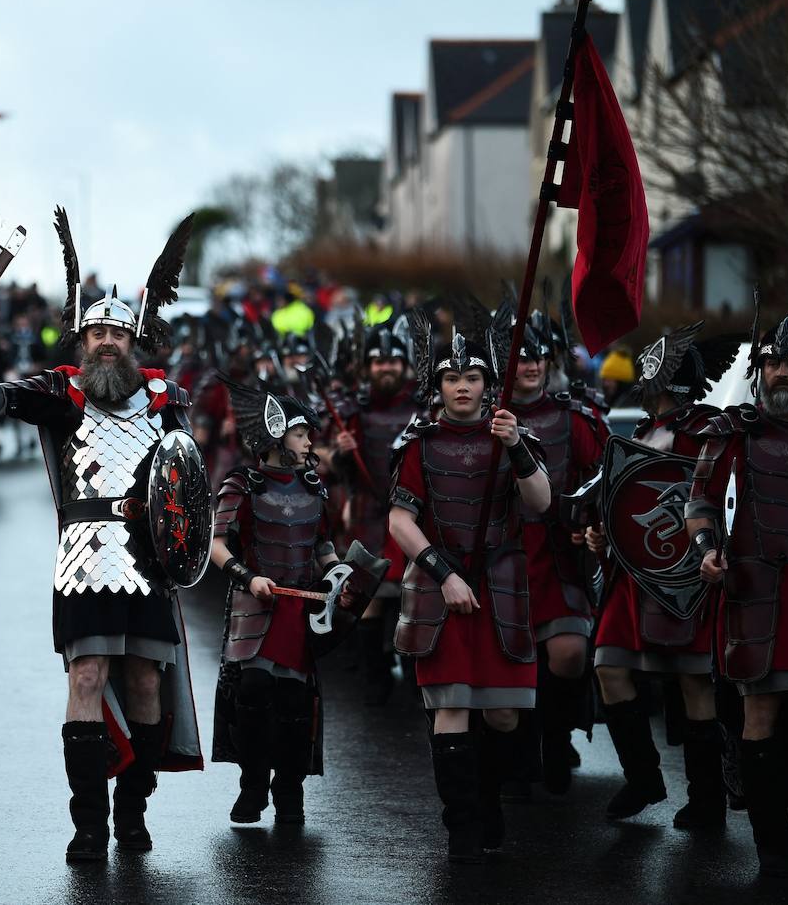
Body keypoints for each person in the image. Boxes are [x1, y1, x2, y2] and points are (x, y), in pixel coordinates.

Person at [0, 208, 204, 861]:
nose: (107, 340)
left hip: (148, 562)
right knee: (85, 677)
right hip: (84, 559)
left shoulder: (167, 398)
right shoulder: (60, 394)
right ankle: (88, 826)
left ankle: (131, 814)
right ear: (82, 340)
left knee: (145, 682)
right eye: (97, 332)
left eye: (117, 331)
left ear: (133, 338)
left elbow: (186, 486)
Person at [389, 313, 551, 862]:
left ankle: (488, 801)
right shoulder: (421, 443)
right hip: (442, 589)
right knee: (451, 707)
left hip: (502, 587)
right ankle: (461, 825)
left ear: (488, 385)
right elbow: (400, 523)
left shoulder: (512, 435)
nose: (463, 387)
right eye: (452, 378)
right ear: (437, 388)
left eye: (473, 377)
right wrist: (444, 574)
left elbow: (541, 503)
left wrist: (516, 448)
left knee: (504, 714)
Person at [685, 305, 788, 880]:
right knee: (760, 710)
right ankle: (773, 849)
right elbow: (698, 505)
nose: (780, 374)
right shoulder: (730, 436)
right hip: (754, 590)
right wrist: (706, 552)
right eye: (771, 363)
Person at [587, 323, 739, 828]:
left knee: (694, 681)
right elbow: (625, 505)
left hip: (690, 574)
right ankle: (644, 778)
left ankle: (706, 800)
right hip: (633, 576)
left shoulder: (711, 433)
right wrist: (604, 535)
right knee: (609, 664)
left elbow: (724, 502)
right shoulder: (639, 434)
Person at [209, 377, 372, 824]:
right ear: (276, 434)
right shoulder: (242, 484)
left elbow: (321, 547)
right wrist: (248, 576)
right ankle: (252, 787)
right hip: (255, 608)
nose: (308, 441)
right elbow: (216, 544)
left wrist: (338, 573)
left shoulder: (313, 486)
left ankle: (289, 791)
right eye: (300, 433)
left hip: (301, 611)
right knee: (255, 693)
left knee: (295, 706)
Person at [502, 304, 609, 794]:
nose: (529, 365)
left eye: (537, 356)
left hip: (560, 556)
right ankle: (520, 751)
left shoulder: (576, 418)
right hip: (502, 556)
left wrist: (589, 523)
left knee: (568, 654)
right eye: (519, 357)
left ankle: (556, 734)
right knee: (511, 658)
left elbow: (605, 481)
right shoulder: (481, 421)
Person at [332, 324, 419, 704]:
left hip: (412, 517)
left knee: (414, 599)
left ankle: (417, 680)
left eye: (393, 361)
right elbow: (339, 472)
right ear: (368, 368)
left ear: (405, 366)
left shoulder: (422, 408)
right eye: (379, 361)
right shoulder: (355, 411)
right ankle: (374, 680)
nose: (386, 368)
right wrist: (341, 452)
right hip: (369, 515)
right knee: (370, 600)